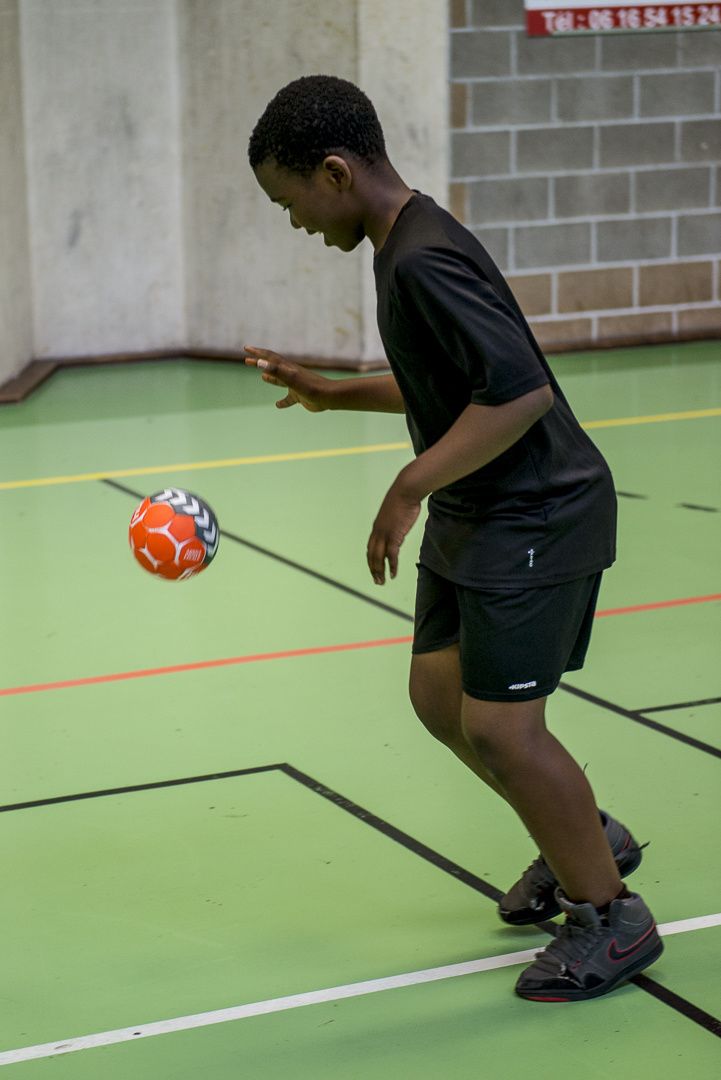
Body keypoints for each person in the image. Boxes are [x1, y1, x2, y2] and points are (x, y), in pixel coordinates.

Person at [244, 75, 663, 1002]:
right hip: (478, 511)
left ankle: (612, 917)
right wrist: (333, 393)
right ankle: (585, 833)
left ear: (334, 172)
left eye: (290, 201)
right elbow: (449, 378)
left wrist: (407, 487)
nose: (295, 223)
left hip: (536, 512)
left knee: (502, 729)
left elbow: (519, 394)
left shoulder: (421, 257)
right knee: (439, 697)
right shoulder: (402, 243)